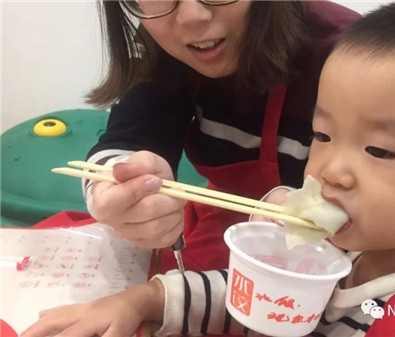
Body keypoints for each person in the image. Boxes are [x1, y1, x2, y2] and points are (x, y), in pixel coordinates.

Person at [22, 2, 395, 336]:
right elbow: (253, 296)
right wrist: (140, 300)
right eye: (322, 135)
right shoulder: (345, 256)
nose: (330, 170)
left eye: (378, 152)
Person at [83, 0, 360, 273]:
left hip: (339, 250)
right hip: (222, 224)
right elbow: (129, 139)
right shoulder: (164, 45)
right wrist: (115, 190)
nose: (192, 16)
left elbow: (392, 204)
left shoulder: (353, 53)